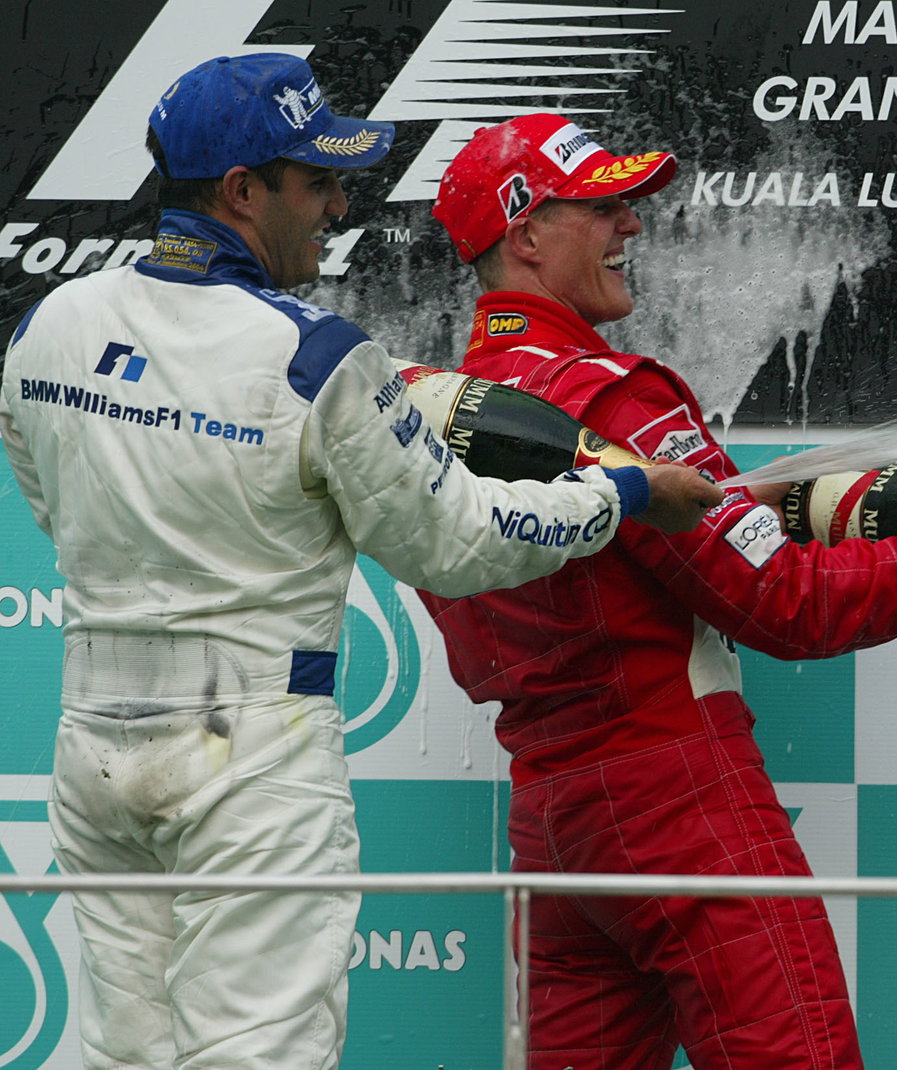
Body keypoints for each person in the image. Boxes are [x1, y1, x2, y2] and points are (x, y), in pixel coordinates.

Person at [0, 55, 720, 1070]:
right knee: (260, 1054)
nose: (340, 203)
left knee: (124, 1052)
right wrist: (626, 492)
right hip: (248, 752)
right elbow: (458, 541)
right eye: (316, 180)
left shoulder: (50, 323)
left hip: (92, 744)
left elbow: (47, 493)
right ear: (242, 191)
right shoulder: (315, 353)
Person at [418, 112, 897, 1069]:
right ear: (526, 233)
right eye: (604, 207)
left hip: (553, 831)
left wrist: (750, 502)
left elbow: (607, 563)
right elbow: (785, 604)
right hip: (677, 804)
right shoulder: (610, 395)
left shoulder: (447, 414)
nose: (633, 226)